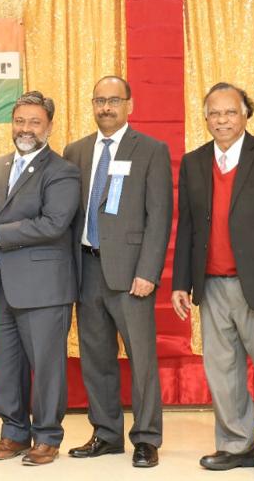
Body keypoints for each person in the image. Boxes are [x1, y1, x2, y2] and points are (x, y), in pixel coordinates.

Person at [171, 83, 254, 481]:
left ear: (246, 115)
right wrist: (181, 283)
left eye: (230, 112)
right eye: (214, 113)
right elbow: (187, 227)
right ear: (205, 118)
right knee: (222, 372)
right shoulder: (194, 162)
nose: (221, 120)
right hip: (210, 286)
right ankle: (236, 445)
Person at [0, 91, 80, 466]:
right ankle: (13, 433)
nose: (25, 128)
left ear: (49, 126)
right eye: (20, 121)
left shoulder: (62, 171)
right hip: (1, 285)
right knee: (6, 365)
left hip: (45, 287)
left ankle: (47, 436)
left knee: (47, 366)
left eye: (34, 122)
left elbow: (53, 224)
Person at [63, 75, 172, 468]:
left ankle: (146, 437)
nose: (105, 108)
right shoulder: (74, 151)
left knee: (141, 359)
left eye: (113, 100)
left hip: (131, 275)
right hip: (85, 267)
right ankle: (106, 433)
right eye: (99, 101)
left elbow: (160, 216)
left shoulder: (151, 150)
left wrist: (149, 271)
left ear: (130, 105)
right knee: (95, 357)